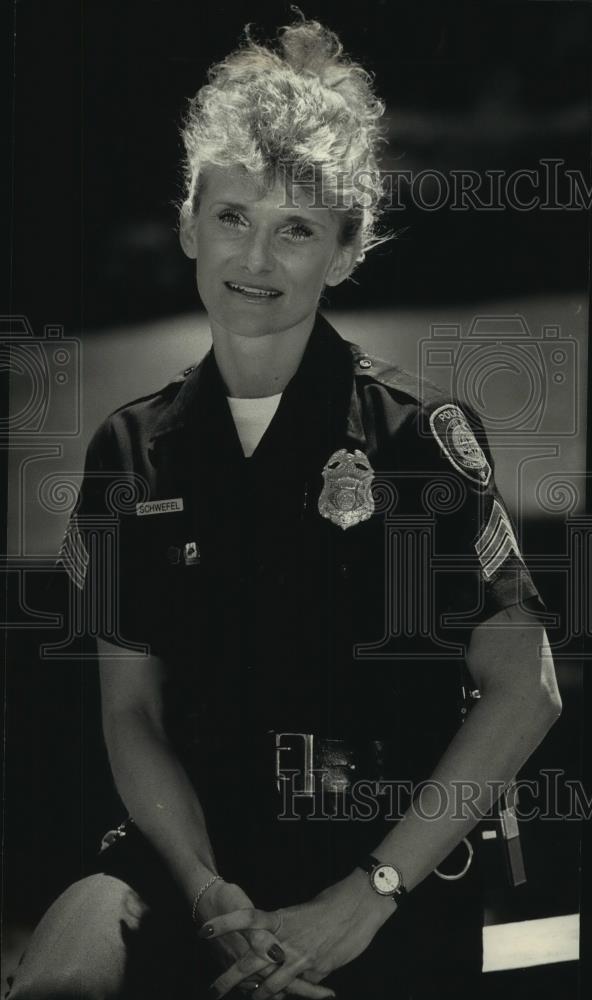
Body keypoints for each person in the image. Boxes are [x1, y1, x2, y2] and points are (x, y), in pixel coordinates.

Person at [8, 17, 562, 1000]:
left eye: (296, 228)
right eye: (232, 218)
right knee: (58, 977)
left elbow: (527, 691)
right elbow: (130, 712)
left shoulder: (417, 438)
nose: (254, 257)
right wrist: (202, 886)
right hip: (195, 870)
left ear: (346, 253)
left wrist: (371, 889)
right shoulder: (126, 452)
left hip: (379, 883)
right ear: (189, 224)